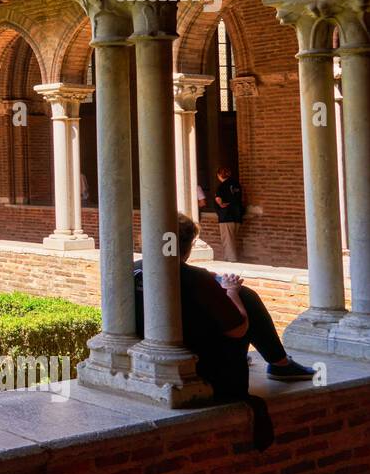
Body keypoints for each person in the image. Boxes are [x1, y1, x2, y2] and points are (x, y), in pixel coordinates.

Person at [133, 215, 313, 400]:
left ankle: (279, 363)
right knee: (246, 296)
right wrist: (232, 290)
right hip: (207, 373)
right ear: (187, 248)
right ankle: (280, 364)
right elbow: (238, 330)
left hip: (143, 363)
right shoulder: (197, 279)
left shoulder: (133, 270)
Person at [214, 166, 245, 261]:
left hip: (226, 217)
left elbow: (219, 201)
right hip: (237, 216)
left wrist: (220, 203)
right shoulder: (237, 184)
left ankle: (231, 263)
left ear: (219, 175)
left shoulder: (221, 187)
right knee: (232, 240)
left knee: (228, 243)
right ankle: (231, 260)